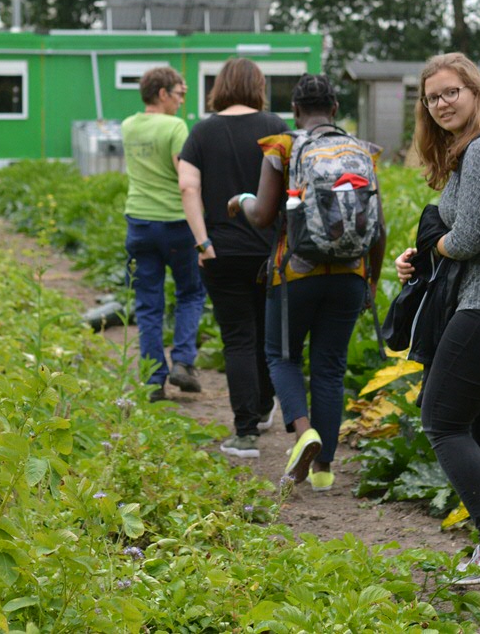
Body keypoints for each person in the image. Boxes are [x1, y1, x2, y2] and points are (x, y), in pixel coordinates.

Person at [393, 53, 480, 585]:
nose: (441, 104)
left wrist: (435, 245)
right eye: (432, 98)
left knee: (442, 421)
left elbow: (472, 235)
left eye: (451, 92)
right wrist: (428, 253)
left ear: (477, 92)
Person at [228, 74, 384, 492]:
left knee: (282, 357)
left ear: (295, 111)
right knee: (330, 369)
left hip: (295, 271)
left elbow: (262, 215)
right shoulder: (362, 152)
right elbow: (379, 228)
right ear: (334, 109)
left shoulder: (283, 146)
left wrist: (240, 201)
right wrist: (370, 282)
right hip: (351, 274)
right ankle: (324, 470)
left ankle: (304, 434)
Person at [177, 58, 287, 458]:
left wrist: (203, 244)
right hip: (269, 251)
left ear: (220, 86)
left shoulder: (203, 131)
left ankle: (245, 432)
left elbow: (188, 188)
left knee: (238, 337)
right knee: (266, 334)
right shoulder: (276, 127)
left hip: (221, 250)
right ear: (258, 85)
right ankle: (262, 406)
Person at [121, 66, 205, 403]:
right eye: (180, 94)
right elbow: (182, 174)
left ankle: (154, 379)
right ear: (162, 93)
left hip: (139, 222)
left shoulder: (128, 126)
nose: (182, 102)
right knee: (190, 293)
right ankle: (183, 361)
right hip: (175, 222)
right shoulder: (174, 127)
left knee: (148, 303)